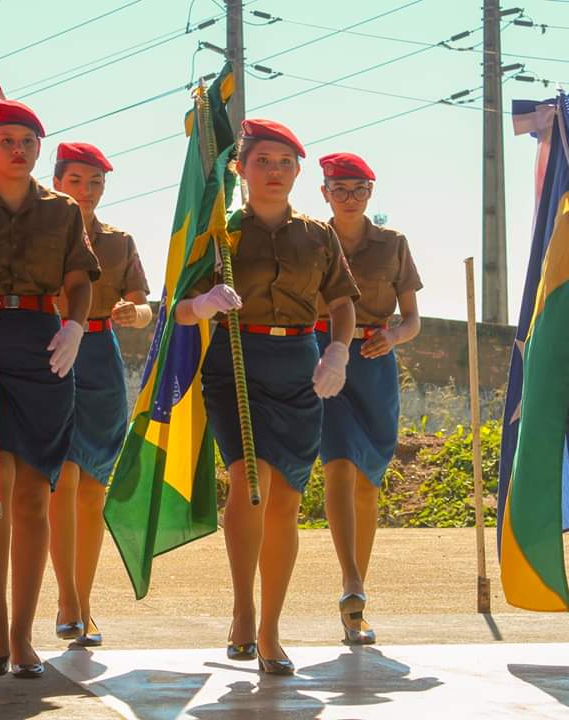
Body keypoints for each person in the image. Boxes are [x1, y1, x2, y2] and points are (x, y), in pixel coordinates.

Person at [174, 118, 359, 675]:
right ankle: (242, 608)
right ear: (241, 168)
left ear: (299, 171)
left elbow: (343, 302)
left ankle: (271, 628)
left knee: (285, 502)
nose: (274, 172)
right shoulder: (219, 233)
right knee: (250, 482)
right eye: (262, 162)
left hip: (301, 366)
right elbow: (177, 309)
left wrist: (338, 351)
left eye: (284, 163)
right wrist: (204, 304)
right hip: (235, 364)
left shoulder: (318, 235)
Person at [0, 100, 100, 678]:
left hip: (44, 348)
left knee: (36, 491)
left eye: (27, 142)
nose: (16, 150)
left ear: (39, 149)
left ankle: (21, 633)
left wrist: (75, 326)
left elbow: (79, 279)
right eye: (5, 139)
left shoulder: (61, 210)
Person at [313, 152, 422, 645]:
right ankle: (350, 582)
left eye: (359, 189)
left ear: (370, 193)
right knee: (337, 461)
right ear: (324, 194)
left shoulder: (393, 244)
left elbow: (412, 319)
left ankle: (356, 602)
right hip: (323, 355)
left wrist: (394, 338)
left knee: (367, 481)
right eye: (340, 189)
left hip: (375, 364)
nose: (350, 198)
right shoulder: (309, 238)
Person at [47, 142, 152, 647]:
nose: (86, 191)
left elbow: (144, 303)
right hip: (48, 353)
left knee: (92, 490)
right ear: (58, 181)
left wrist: (137, 315)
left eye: (95, 182)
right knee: (61, 481)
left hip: (101, 358)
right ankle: (67, 600)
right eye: (76, 181)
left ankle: (83, 603)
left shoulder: (118, 241)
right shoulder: (37, 230)